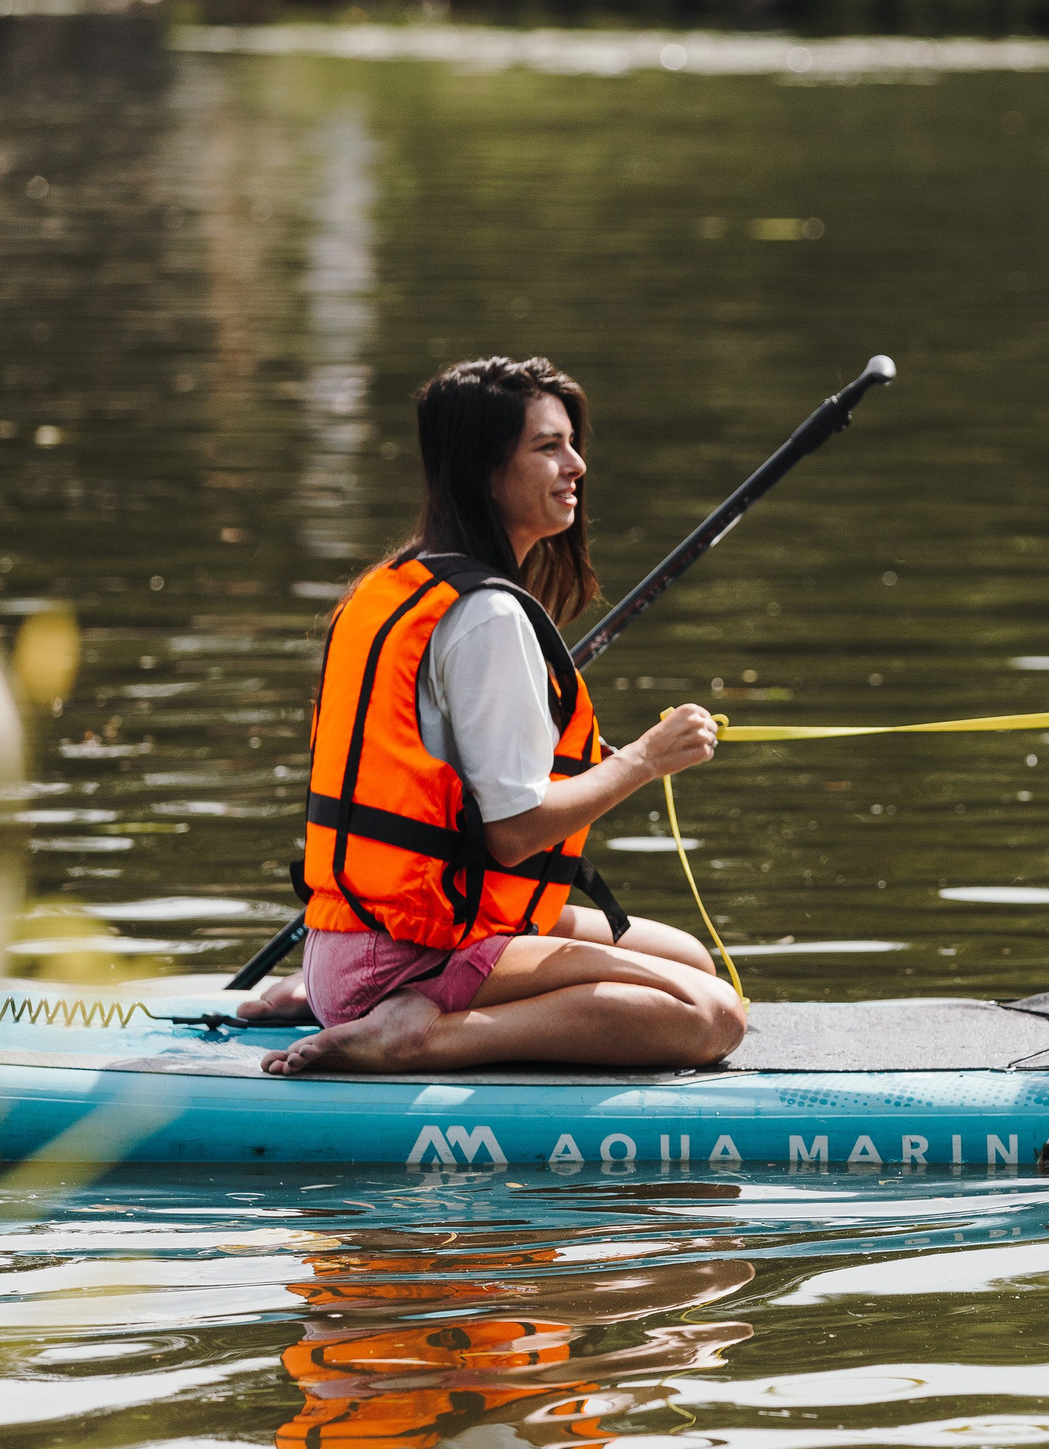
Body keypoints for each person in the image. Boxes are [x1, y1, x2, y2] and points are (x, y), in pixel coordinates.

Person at [242, 356, 746, 1076]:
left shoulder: (395, 584)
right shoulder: (489, 616)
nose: (576, 465)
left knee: (689, 958)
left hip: (363, 933)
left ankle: (330, 992)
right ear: (484, 468)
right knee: (711, 1013)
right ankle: (412, 1034)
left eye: (571, 443)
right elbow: (512, 835)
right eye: (547, 447)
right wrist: (645, 759)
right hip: (407, 951)